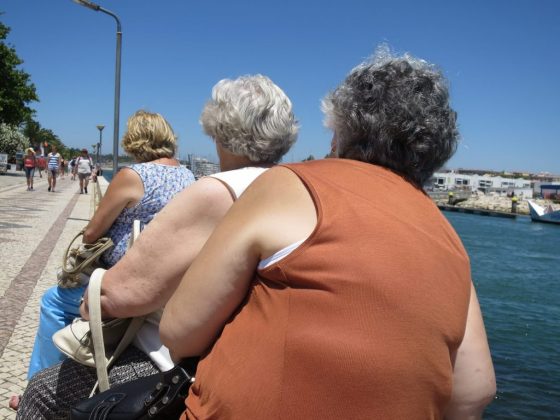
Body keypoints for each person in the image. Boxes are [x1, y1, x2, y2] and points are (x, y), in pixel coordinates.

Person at [160, 48, 496, 419]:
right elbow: (474, 394)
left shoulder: (288, 185)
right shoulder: (450, 242)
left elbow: (179, 331)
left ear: (340, 132)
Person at [14, 75, 298, 420]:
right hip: (253, 360)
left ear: (218, 130)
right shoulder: (292, 187)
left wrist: (92, 300)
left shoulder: (218, 190)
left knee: (42, 392)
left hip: (179, 365)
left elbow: (112, 300)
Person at [9, 110, 195, 413]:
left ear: (134, 139)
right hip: (169, 281)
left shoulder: (133, 175)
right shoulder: (188, 176)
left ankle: (36, 387)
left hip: (127, 280)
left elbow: (92, 232)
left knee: (54, 301)